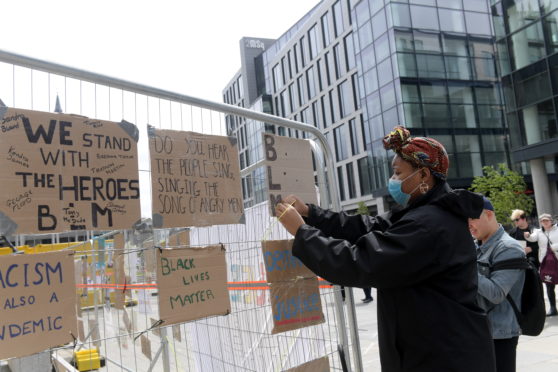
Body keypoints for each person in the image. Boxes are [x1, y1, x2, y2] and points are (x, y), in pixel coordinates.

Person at [275, 126, 496, 372]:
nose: (394, 181)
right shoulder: (423, 213)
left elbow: (360, 263)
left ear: (423, 175)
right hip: (438, 348)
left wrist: (302, 233)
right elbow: (367, 226)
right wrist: (312, 214)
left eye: (398, 173)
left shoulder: (428, 224)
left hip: (442, 356)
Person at [469, 197, 525, 372]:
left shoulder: (508, 247)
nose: (468, 225)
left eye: (471, 218)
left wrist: (464, 267)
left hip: (500, 333)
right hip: (478, 329)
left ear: (488, 214)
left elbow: (496, 293)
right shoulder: (475, 246)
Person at [525, 213, 558, 316]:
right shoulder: (538, 232)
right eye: (542, 221)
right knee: (549, 285)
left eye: (546, 220)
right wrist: (528, 236)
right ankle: (553, 308)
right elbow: (532, 238)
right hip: (545, 262)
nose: (544, 222)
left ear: (551, 220)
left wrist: (554, 247)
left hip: (557, 259)